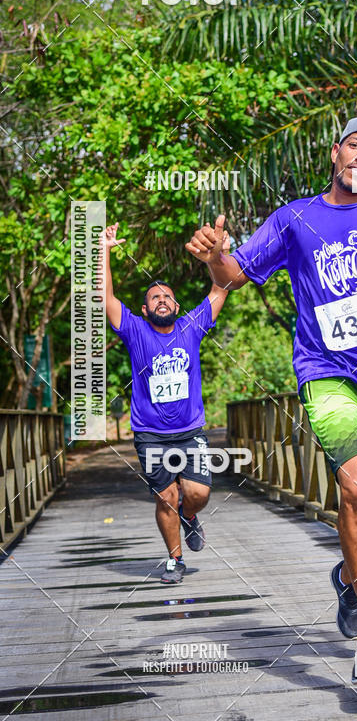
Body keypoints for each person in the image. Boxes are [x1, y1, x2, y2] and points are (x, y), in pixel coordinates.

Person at [185, 114, 357, 682]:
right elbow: (235, 272)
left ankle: (348, 577)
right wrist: (215, 255)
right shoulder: (296, 218)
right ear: (336, 154)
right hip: (324, 372)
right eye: (355, 146)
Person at [101, 222, 228, 584]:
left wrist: (215, 255)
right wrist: (104, 251)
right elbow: (106, 298)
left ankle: (191, 516)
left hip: (189, 431)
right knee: (166, 496)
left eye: (167, 297)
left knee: (198, 493)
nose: (162, 300)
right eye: (155, 297)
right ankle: (175, 560)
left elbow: (222, 287)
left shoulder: (192, 326)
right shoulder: (134, 330)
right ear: (144, 309)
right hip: (150, 434)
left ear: (176, 305)